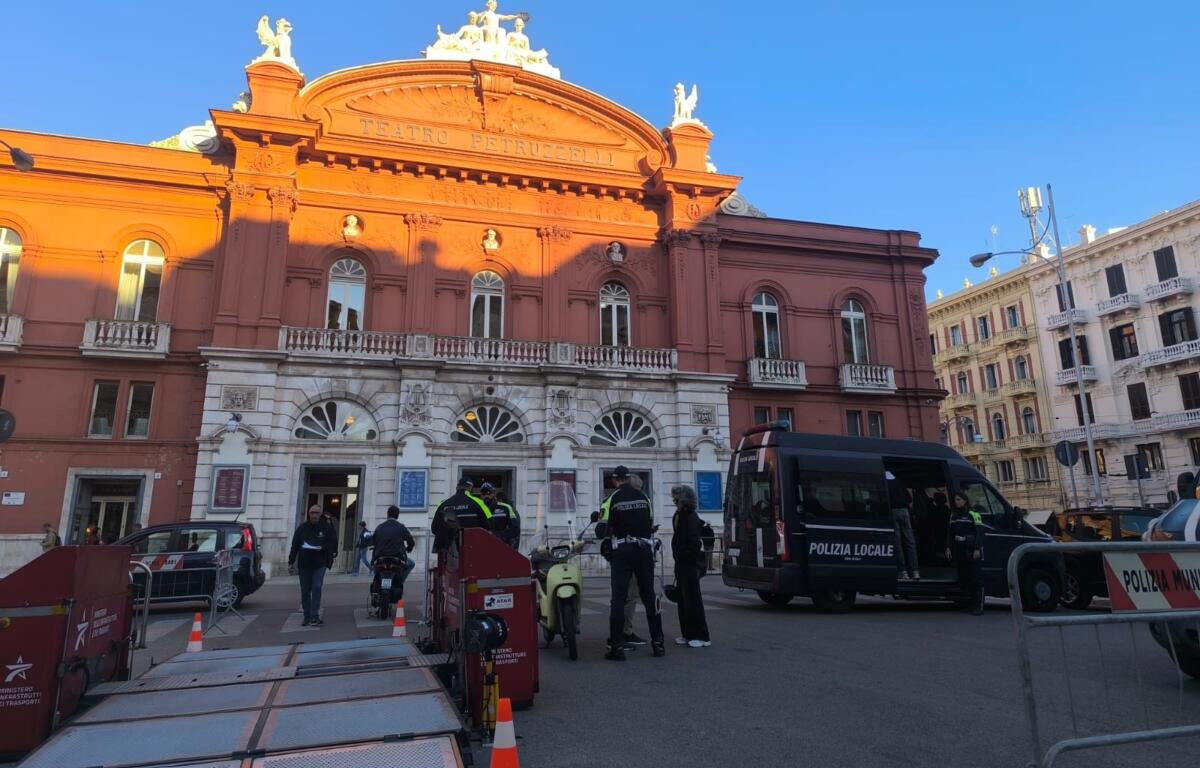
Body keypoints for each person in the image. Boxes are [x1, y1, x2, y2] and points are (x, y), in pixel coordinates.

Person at [596, 465, 665, 660]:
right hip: (644, 551)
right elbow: (649, 523)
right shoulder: (644, 498)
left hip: (623, 552)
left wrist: (613, 529)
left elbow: (601, 531)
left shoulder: (612, 499)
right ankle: (658, 644)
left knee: (618, 599)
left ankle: (616, 648)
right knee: (649, 597)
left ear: (614, 480)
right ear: (628, 478)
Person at [671, 485, 710, 648]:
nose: (674, 501)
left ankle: (701, 636)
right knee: (683, 599)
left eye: (676, 498)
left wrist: (683, 554)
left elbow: (694, 541)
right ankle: (687, 633)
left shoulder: (690, 516)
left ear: (684, 500)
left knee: (693, 600)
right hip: (681, 562)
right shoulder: (680, 515)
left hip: (689, 563)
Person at [288, 504, 338, 627]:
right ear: (308, 514)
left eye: (316, 513)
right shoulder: (302, 528)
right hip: (304, 564)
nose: (314, 515)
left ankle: (314, 616)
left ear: (320, 514)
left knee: (316, 587)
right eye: (312, 512)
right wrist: (291, 561)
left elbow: (333, 542)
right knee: (305, 590)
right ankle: (307, 616)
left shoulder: (326, 528)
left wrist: (323, 548)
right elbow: (295, 545)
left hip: (319, 563)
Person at [946, 491, 986, 615]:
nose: (956, 502)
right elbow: (950, 533)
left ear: (965, 501)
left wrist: (977, 549)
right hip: (959, 550)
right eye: (955, 500)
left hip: (971, 550)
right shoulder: (953, 516)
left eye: (958, 499)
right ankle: (970, 604)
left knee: (976, 578)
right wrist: (948, 547)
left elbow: (979, 533)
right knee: (965, 578)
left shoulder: (973, 514)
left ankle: (979, 606)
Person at [431, 477, 492, 552]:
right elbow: (489, 526)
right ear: (470, 487)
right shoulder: (478, 502)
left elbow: (434, 529)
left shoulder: (443, 504)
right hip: (473, 549)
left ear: (457, 487)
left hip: (449, 553)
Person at [371, 505, 417, 598]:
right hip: (397, 558)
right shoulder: (401, 527)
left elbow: (373, 541)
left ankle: (376, 583)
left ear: (387, 515)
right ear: (397, 516)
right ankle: (399, 581)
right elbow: (410, 541)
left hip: (380, 558)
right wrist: (409, 548)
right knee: (411, 564)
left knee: (374, 567)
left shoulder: (380, 527)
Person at [886, 470, 919, 580]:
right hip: (904, 511)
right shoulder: (899, 482)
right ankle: (915, 571)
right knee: (910, 541)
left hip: (893, 511)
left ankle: (903, 571)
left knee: (897, 542)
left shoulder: (885, 482)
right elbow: (909, 499)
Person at [481, 484, 521, 549]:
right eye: (483, 494)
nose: (486, 496)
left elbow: (515, 529)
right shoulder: (478, 508)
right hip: (483, 545)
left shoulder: (506, 508)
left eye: (488, 493)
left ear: (493, 493)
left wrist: (497, 535)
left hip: (502, 545)